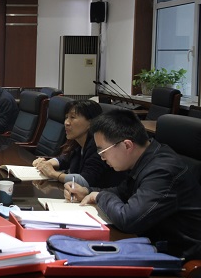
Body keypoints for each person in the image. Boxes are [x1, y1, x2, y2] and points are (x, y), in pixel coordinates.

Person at [67, 109, 201, 260]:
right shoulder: (147, 158)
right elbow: (122, 192)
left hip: (177, 259)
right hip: (150, 242)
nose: (102, 158)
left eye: (103, 151)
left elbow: (128, 220)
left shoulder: (162, 171)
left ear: (127, 145)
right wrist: (87, 191)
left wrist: (99, 196)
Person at [32, 100, 125, 188]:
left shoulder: (97, 146)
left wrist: (54, 174)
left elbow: (86, 181)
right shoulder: (77, 141)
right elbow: (64, 159)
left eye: (72, 117)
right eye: (66, 117)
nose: (66, 122)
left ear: (91, 122)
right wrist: (46, 164)